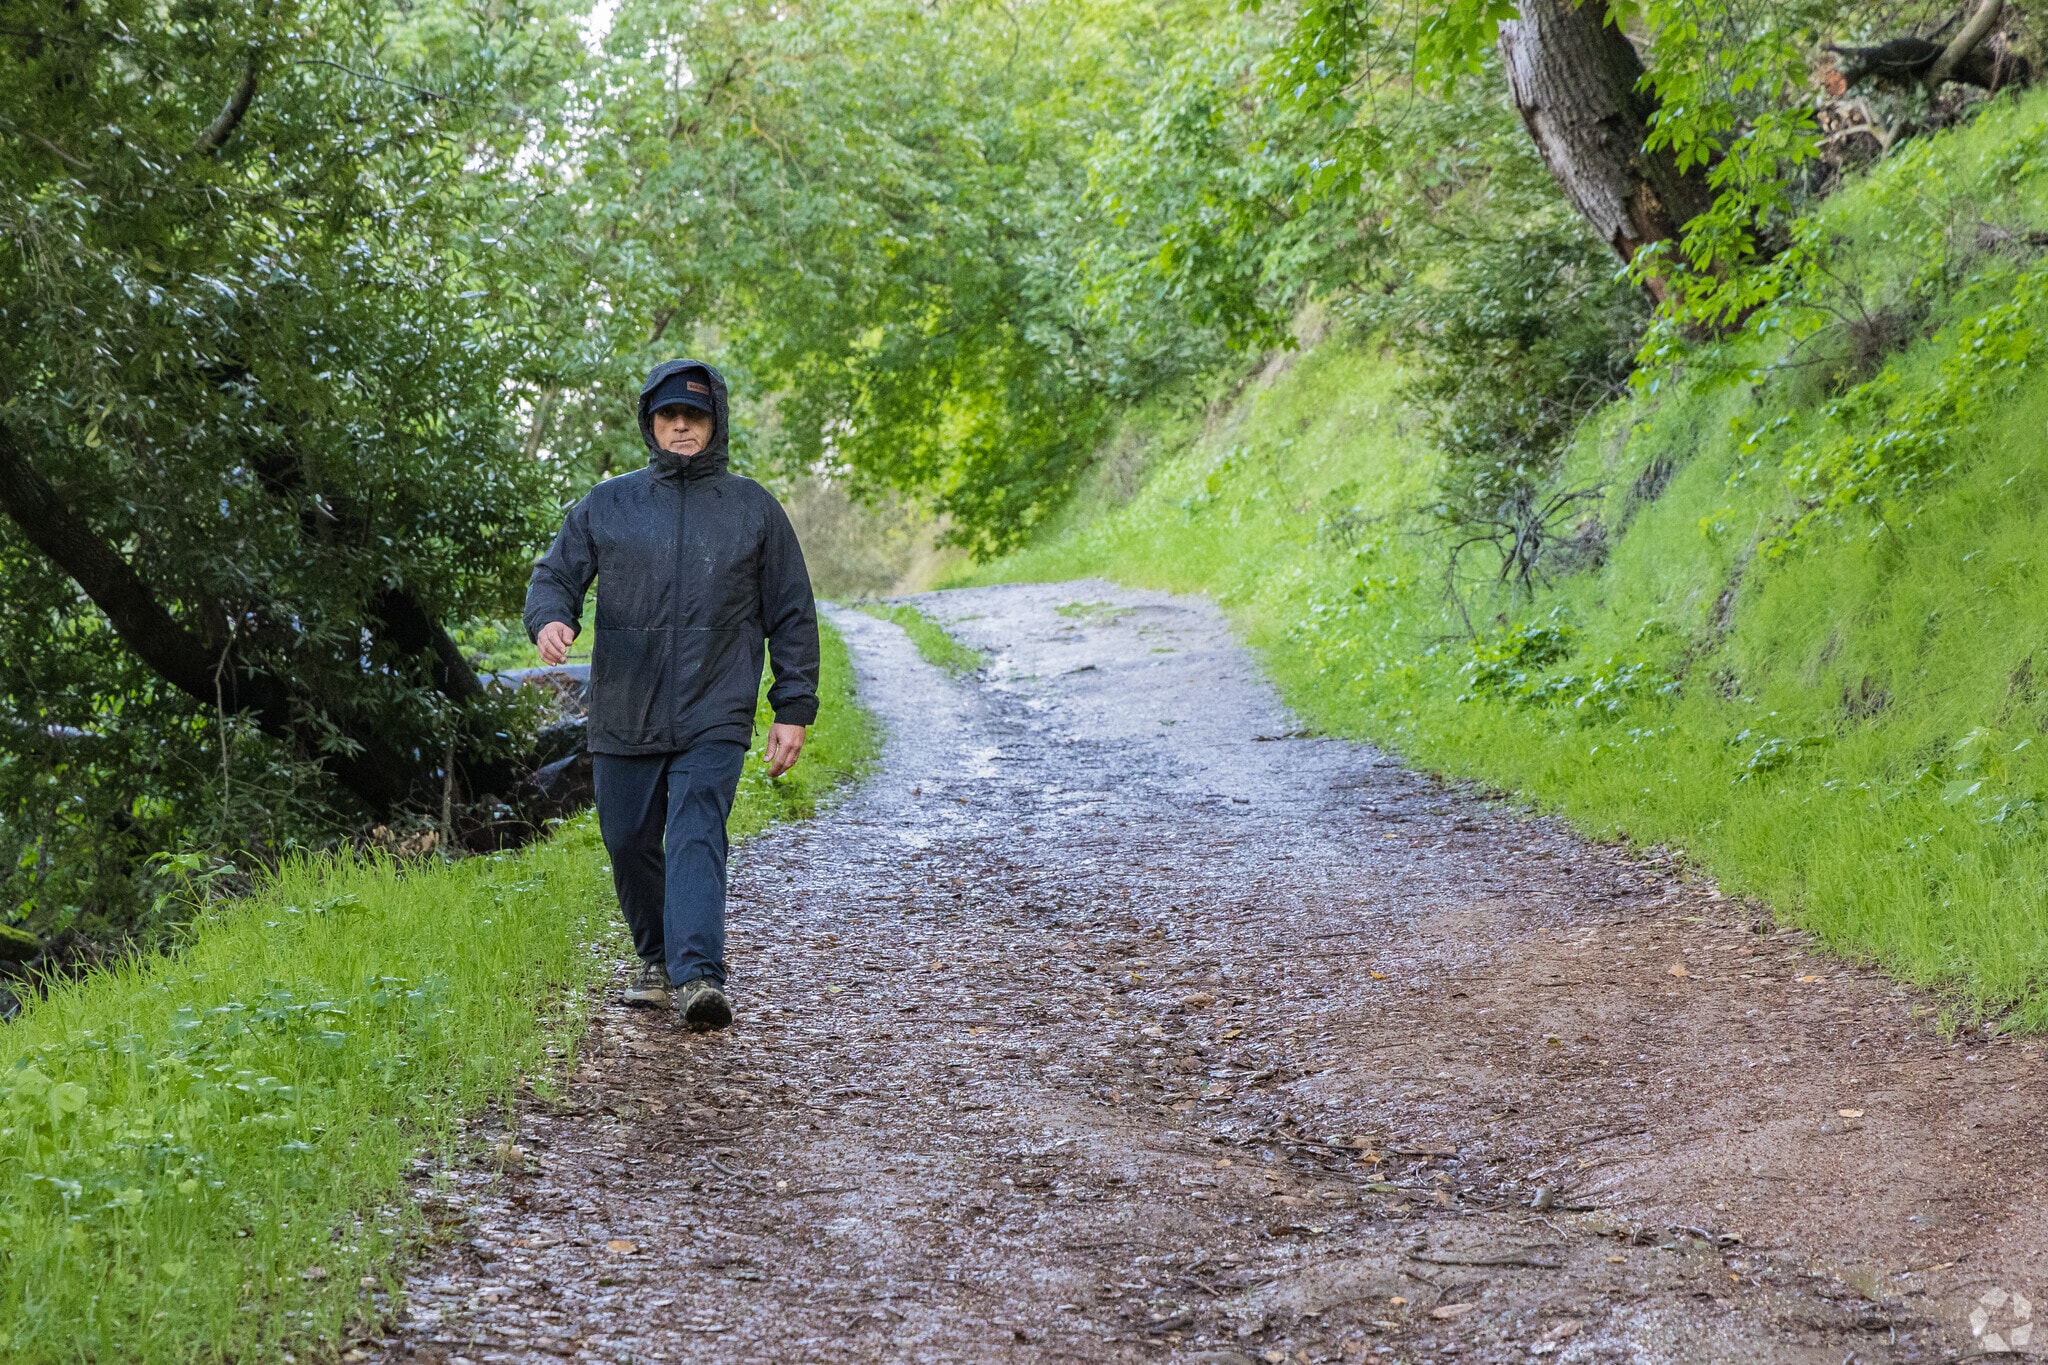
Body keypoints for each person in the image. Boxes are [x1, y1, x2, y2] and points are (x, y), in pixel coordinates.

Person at [524, 359, 819, 1031]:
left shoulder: (753, 509)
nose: (681, 426)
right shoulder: (609, 503)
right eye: (668, 416)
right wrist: (550, 619)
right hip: (625, 702)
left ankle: (697, 975)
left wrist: (792, 706)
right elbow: (553, 578)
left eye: (695, 415)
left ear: (714, 423)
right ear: (650, 424)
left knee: (693, 829)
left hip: (717, 703)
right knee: (627, 837)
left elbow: (793, 612)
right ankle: (656, 959)